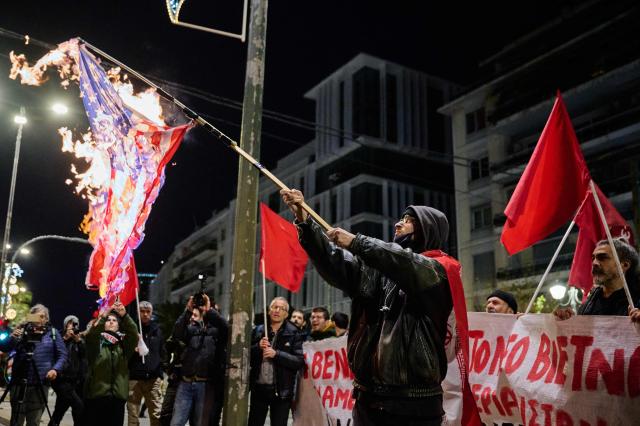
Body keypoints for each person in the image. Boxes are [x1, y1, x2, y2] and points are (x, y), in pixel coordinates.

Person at [282, 189, 453, 426]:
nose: (398, 224)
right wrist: (304, 221)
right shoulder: (376, 271)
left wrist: (356, 242)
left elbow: (405, 263)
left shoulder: (437, 270)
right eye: (401, 218)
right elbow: (334, 260)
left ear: (428, 229)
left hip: (415, 405)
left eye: (409, 220)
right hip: (367, 400)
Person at [170, 294, 228, 426]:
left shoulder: (218, 331)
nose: (200, 311)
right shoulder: (191, 328)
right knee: (176, 422)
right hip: (186, 384)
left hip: (206, 385)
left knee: (200, 423)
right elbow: (176, 334)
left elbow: (226, 327)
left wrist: (209, 309)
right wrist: (188, 310)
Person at [7, 304, 68, 426]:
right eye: (36, 316)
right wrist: (12, 338)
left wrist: (55, 370)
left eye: (43, 317)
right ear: (31, 317)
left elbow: (63, 355)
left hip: (40, 384)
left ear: (47, 319)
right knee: (15, 422)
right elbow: (5, 348)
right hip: (18, 383)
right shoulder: (22, 331)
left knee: (34, 422)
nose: (40, 320)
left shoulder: (53, 333)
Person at [248, 297, 305, 426]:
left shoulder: (294, 333)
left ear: (286, 314)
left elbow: (298, 361)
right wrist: (257, 347)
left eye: (282, 308)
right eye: (274, 307)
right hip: (259, 389)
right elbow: (246, 356)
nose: (277, 311)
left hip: (281, 392)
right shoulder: (258, 330)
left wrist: (277, 354)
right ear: (269, 311)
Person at [83, 301, 139, 426]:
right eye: (109, 320)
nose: (111, 321)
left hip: (117, 398)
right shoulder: (97, 344)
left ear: (119, 326)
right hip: (97, 397)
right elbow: (92, 334)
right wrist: (103, 316)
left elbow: (134, 334)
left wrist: (125, 316)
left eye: (114, 320)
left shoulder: (123, 346)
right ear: (104, 324)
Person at [555, 238, 639, 319]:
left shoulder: (636, 301)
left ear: (625, 265)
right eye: (593, 258)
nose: (594, 263)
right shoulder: (589, 303)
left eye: (602, 258)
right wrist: (570, 322)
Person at [127, 301, 165, 426]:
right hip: (135, 379)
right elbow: (125, 352)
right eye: (142, 311)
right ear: (138, 313)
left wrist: (160, 373)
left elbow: (162, 352)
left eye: (148, 312)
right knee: (133, 416)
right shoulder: (132, 329)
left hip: (153, 379)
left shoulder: (157, 330)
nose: (145, 314)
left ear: (151, 313)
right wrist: (133, 348)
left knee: (156, 415)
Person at [49, 315, 86, 426]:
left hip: (74, 382)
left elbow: (84, 356)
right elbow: (55, 353)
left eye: (75, 324)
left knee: (59, 412)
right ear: (65, 325)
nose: (73, 326)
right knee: (79, 407)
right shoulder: (58, 337)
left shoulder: (79, 340)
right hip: (61, 381)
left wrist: (79, 341)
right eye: (70, 323)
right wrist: (65, 338)